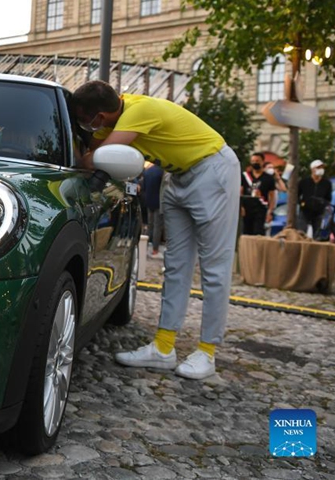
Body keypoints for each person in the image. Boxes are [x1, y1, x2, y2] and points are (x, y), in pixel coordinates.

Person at [71, 80, 240, 380]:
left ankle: (207, 353)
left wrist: (92, 148)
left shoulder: (138, 111)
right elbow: (93, 154)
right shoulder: (115, 119)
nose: (84, 126)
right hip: (178, 176)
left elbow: (93, 157)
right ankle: (163, 347)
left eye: (85, 119)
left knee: (215, 266)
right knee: (175, 265)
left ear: (99, 117)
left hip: (212, 168)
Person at [240, 152, 276, 236]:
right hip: (247, 208)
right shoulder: (245, 176)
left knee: (258, 233)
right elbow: (240, 192)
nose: (255, 163)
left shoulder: (269, 178)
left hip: (261, 208)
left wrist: (270, 211)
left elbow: (272, 196)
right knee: (246, 233)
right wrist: (240, 206)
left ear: (262, 162)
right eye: (253, 161)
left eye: (257, 160)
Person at [298, 159, 333, 238]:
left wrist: (323, 205)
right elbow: (297, 195)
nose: (321, 169)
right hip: (305, 211)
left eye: (322, 167)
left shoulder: (326, 183)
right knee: (301, 233)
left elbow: (328, 198)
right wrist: (302, 203)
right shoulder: (304, 182)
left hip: (319, 213)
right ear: (312, 169)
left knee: (317, 235)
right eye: (318, 167)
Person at [141, 163, 165, 257]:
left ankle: (146, 245)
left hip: (148, 201)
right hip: (158, 202)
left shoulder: (147, 171)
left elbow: (144, 187)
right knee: (157, 227)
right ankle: (155, 249)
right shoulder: (161, 172)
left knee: (150, 224)